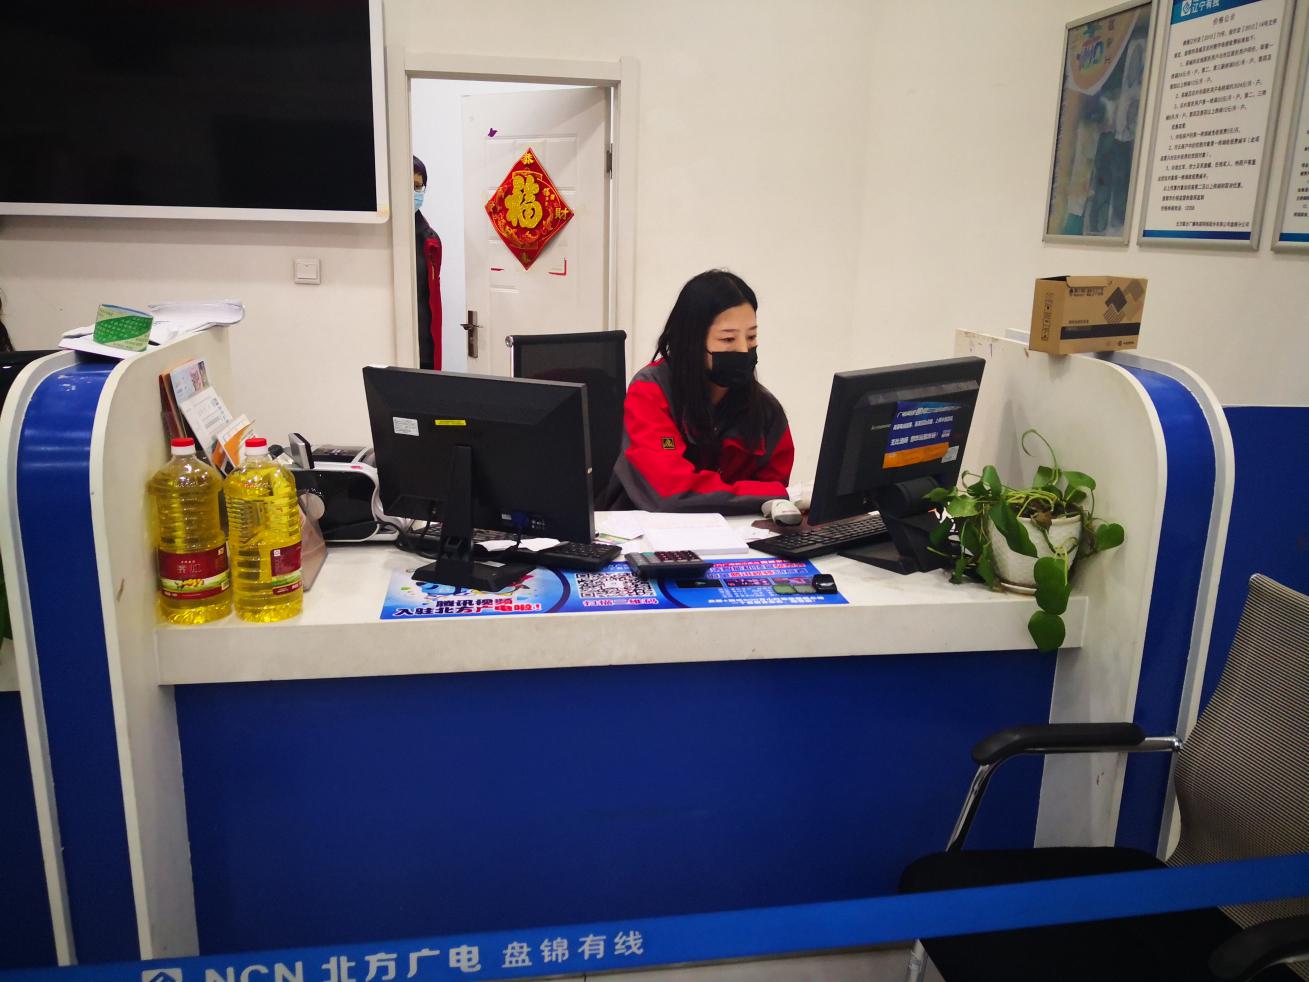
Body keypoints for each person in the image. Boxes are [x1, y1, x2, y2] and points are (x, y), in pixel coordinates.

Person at [603, 269, 794, 513]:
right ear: (692, 342)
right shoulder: (651, 391)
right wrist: (757, 495)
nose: (744, 350)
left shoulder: (765, 410)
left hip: (735, 533)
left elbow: (777, 494)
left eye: (751, 337)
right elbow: (670, 492)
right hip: (645, 530)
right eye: (728, 339)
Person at [413, 156, 442, 370]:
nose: (413, 192)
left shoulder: (430, 240)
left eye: (417, 186)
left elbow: (429, 299)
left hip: (423, 350)